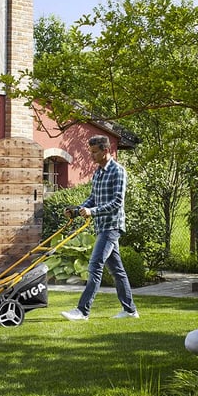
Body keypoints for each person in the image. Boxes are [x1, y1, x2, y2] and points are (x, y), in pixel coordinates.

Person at [60, 135, 139, 321]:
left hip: (112, 226)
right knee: (117, 271)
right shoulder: (98, 173)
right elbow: (93, 199)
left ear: (106, 150)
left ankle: (82, 311)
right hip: (101, 226)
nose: (92, 156)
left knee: (95, 265)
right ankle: (130, 310)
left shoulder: (118, 171)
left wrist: (92, 212)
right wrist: (77, 209)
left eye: (95, 152)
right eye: (91, 152)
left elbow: (117, 203)